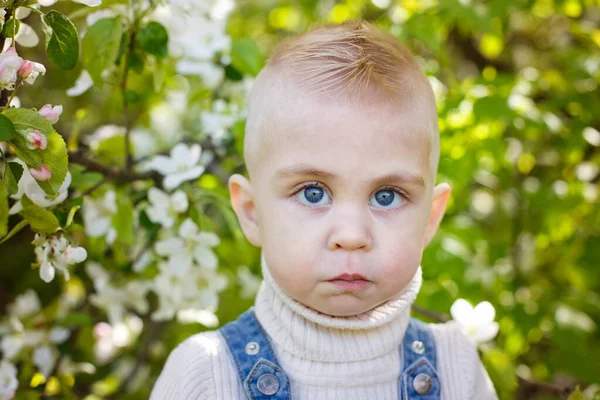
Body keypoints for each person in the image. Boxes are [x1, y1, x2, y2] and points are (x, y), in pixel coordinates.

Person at [151, 19, 499, 400]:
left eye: (387, 196)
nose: (351, 236)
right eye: (313, 193)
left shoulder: (455, 369)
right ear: (252, 212)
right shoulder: (208, 374)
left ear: (430, 219)